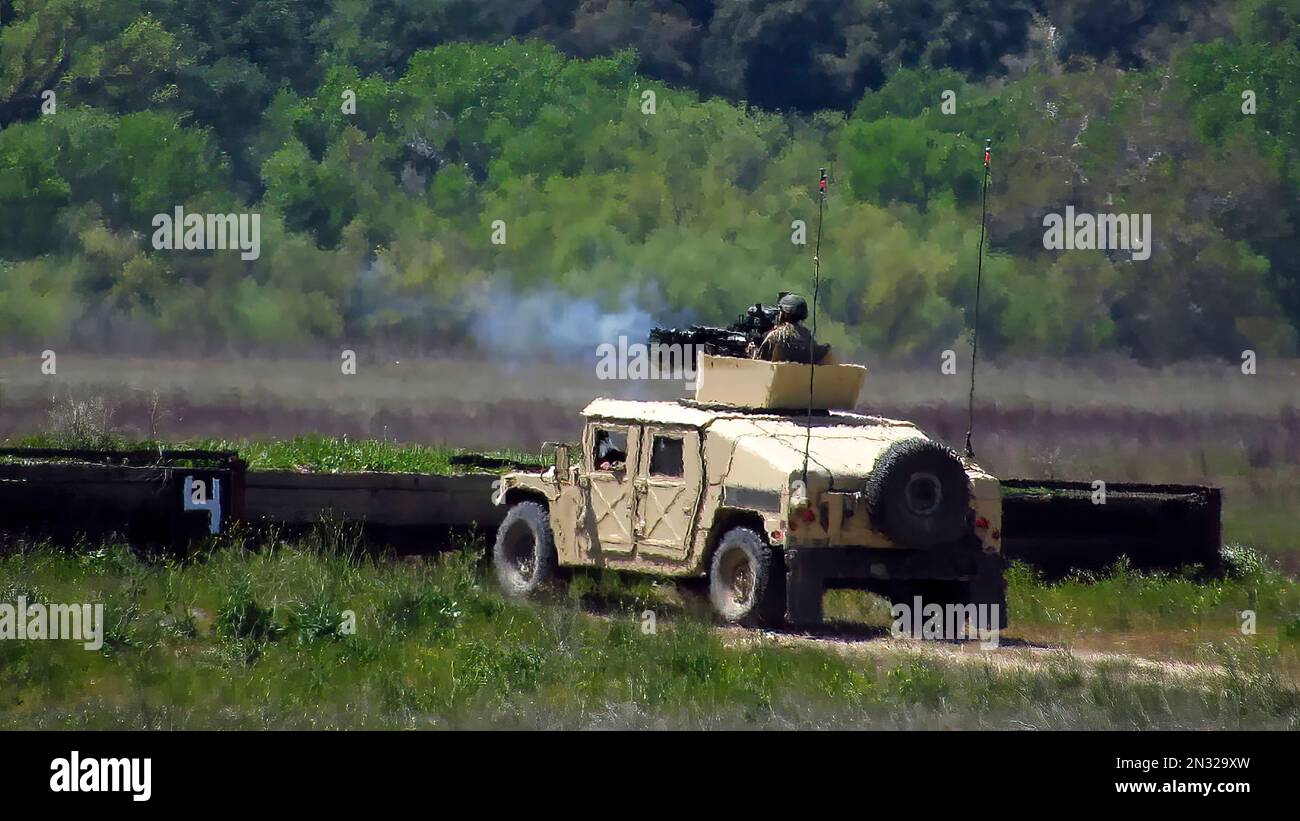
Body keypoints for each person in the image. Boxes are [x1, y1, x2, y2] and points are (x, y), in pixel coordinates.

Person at [753, 293, 823, 363]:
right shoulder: (809, 337)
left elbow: (760, 364)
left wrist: (754, 352)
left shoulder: (776, 336)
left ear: (784, 313)